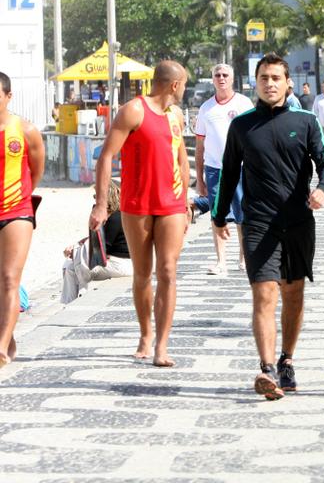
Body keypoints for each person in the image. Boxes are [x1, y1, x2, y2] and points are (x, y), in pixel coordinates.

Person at [212, 53, 324, 400]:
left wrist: (323, 190)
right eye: (264, 78)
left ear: (287, 82)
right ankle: (266, 370)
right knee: (264, 294)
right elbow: (229, 172)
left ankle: (287, 360)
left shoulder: (306, 120)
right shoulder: (242, 126)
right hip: (258, 223)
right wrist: (219, 216)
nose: (270, 84)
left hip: (297, 221)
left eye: (276, 78)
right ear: (256, 82)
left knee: (293, 294)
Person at [90, 60, 190, 367]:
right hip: (137, 205)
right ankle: (145, 333)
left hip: (171, 204)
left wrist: (186, 201)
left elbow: (181, 159)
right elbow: (106, 157)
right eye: (184, 83)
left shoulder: (176, 116)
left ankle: (162, 345)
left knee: (168, 272)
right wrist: (100, 203)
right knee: (143, 274)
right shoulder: (133, 111)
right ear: (174, 85)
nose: (184, 89)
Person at [190, 63, 253, 275]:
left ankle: (244, 259)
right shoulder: (206, 108)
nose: (221, 78)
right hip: (215, 168)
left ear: (232, 78)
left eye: (225, 74)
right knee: (218, 214)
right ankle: (221, 261)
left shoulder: (244, 103)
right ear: (213, 79)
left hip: (242, 167)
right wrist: (199, 178)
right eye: (217, 75)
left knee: (243, 214)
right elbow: (200, 146)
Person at [0, 71, 45, 368]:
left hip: (16, 211)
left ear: (8, 96)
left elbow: (36, 169)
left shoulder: (26, 130)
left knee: (9, 279)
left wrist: (22, 196)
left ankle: (1, 346)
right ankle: (9, 335)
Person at [61, 180, 132, 304]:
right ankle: (69, 304)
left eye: (96, 197)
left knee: (78, 262)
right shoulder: (107, 216)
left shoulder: (116, 217)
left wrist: (76, 251)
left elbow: (101, 246)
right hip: (112, 261)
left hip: (121, 265)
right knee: (69, 266)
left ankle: (80, 298)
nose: (94, 200)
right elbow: (95, 239)